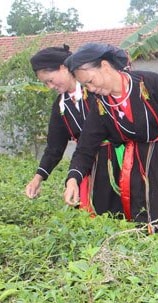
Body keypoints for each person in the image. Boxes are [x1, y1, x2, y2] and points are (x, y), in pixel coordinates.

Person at [63, 43, 158, 233]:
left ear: (105, 66)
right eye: (85, 85)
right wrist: (73, 179)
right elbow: (85, 148)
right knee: (146, 223)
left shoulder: (150, 83)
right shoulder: (100, 105)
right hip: (139, 169)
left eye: (90, 81)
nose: (90, 88)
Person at [26, 45, 123, 216]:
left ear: (63, 68)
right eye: (45, 83)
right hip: (85, 165)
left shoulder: (96, 90)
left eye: (50, 80)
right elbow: (54, 148)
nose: (50, 86)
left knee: (121, 210)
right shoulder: (61, 106)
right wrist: (37, 179)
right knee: (94, 218)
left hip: (117, 160)